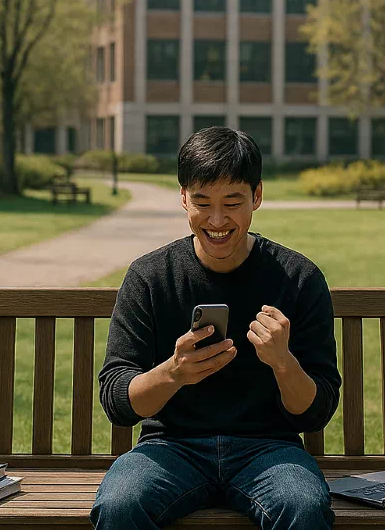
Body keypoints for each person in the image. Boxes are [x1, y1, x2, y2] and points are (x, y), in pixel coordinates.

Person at [92, 127, 342, 530]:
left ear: (257, 196)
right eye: (202, 202)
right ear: (183, 197)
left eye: (233, 202)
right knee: (120, 505)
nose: (217, 220)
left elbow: (316, 412)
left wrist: (283, 363)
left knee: (303, 506)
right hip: (171, 446)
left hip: (270, 449)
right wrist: (173, 372)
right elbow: (118, 403)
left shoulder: (297, 278)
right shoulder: (150, 277)